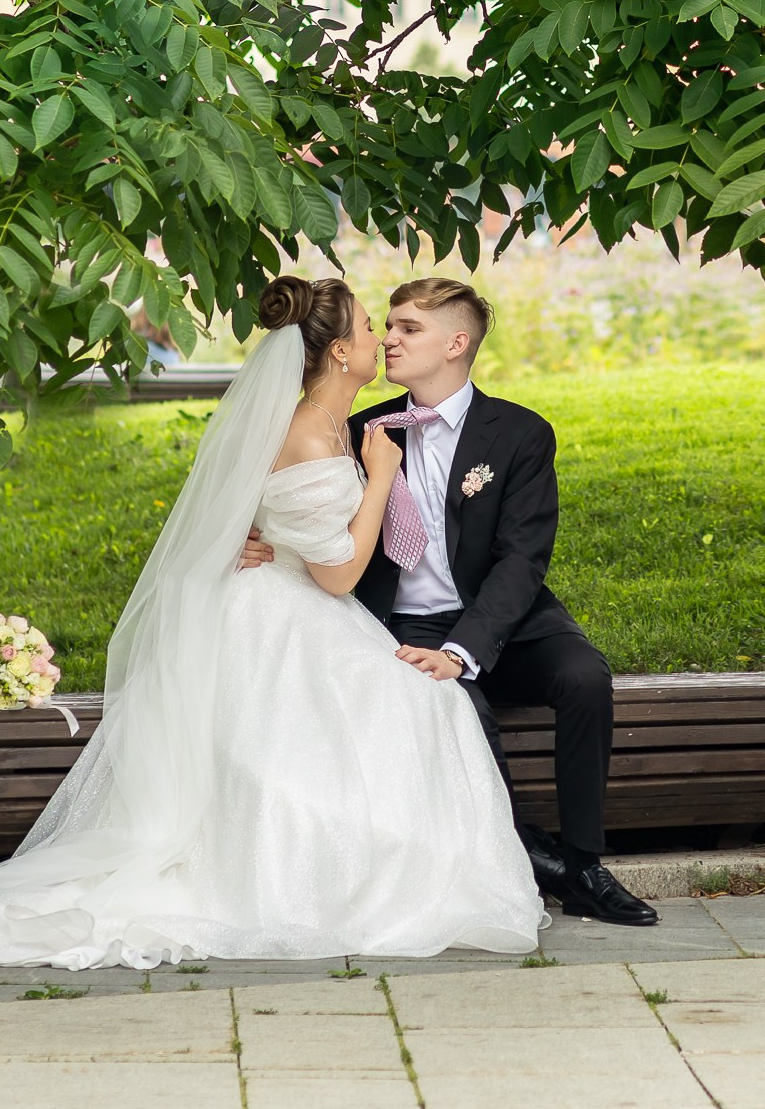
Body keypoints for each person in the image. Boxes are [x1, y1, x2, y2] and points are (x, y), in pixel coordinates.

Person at [0, 277, 544, 969]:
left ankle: (376, 858)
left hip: (279, 604)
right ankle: (374, 877)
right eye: (369, 325)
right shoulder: (333, 438)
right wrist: (377, 481)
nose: (379, 339)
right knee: (419, 710)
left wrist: (259, 533)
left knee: (409, 707)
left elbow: (267, 518)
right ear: (336, 352)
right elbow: (338, 572)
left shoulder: (323, 422)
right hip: (297, 612)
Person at [241, 278, 659, 927]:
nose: (388, 337)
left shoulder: (520, 434)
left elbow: (522, 561)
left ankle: (583, 862)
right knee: (456, 706)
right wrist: (247, 536)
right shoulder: (357, 430)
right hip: (402, 620)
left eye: (408, 327)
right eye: (385, 325)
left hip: (504, 618)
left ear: (456, 342)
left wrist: (462, 649)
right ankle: (522, 854)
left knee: (584, 676)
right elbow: (296, 503)